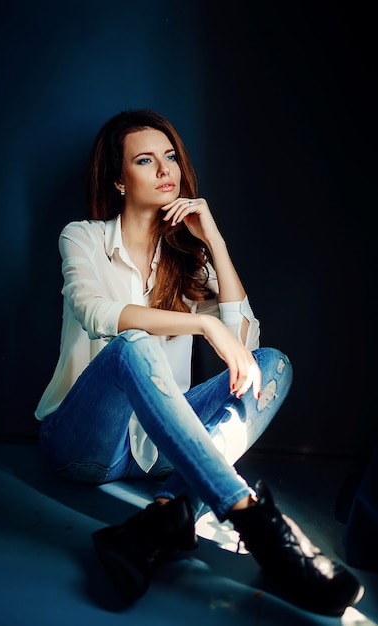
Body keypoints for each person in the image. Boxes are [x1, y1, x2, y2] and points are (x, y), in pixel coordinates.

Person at [35, 109, 361, 616]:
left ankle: (161, 518)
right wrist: (202, 324)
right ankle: (253, 520)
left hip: (162, 450)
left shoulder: (188, 258)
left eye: (171, 158)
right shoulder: (83, 237)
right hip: (83, 445)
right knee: (133, 344)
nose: (166, 170)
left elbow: (246, 345)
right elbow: (95, 311)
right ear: (120, 180)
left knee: (273, 365)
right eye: (146, 160)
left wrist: (214, 240)